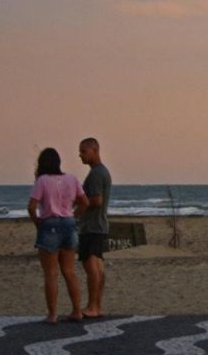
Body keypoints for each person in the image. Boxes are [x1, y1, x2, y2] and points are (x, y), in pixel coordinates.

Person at [27, 147, 89, 324]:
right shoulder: (72, 178)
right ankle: (77, 310)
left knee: (51, 274)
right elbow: (84, 202)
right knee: (69, 271)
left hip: (50, 224)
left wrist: (37, 222)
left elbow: (31, 206)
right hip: (69, 224)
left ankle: (52, 314)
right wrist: (73, 215)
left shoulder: (42, 180)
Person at [78, 137, 112, 319]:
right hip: (99, 225)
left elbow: (96, 200)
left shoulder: (96, 174)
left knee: (91, 266)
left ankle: (92, 306)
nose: (80, 155)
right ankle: (97, 305)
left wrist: (77, 210)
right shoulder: (100, 172)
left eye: (84, 151)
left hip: (92, 226)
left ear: (94, 150)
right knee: (98, 266)